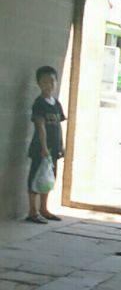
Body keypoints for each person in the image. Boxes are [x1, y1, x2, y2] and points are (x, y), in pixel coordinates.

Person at [26, 65, 65, 223]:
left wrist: (61, 145)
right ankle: (32, 211)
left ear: (56, 82)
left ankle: (44, 209)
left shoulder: (56, 104)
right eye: (44, 82)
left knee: (48, 178)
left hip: (54, 148)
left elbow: (58, 126)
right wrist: (43, 147)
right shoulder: (39, 103)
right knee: (35, 177)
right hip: (41, 148)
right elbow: (40, 126)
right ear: (39, 83)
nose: (48, 85)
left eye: (51, 81)